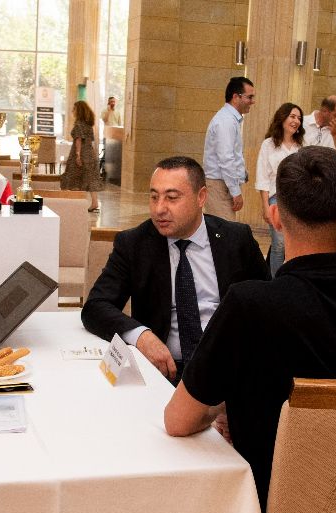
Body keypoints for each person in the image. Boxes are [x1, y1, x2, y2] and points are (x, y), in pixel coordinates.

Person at [164, 146, 336, 511]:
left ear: (276, 217)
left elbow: (179, 420)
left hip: (270, 509)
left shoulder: (250, 304)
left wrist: (223, 407)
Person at [82, 156, 269, 383]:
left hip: (229, 370)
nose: (160, 209)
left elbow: (267, 306)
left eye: (172, 198)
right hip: (165, 372)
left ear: (201, 197)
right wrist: (141, 336)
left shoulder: (236, 240)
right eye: (153, 197)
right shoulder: (135, 244)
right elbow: (95, 307)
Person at [255, 102, 304, 275]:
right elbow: (262, 177)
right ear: (282, 118)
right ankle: (276, 282)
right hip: (276, 199)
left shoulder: (301, 146)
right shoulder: (268, 144)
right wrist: (266, 207)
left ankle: (291, 277)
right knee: (279, 244)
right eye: (292, 116)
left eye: (299, 118)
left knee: (293, 243)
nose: (296, 121)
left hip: (298, 200)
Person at [203, 77, 256, 220]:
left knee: (224, 233)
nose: (253, 101)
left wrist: (241, 173)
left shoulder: (230, 119)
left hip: (223, 184)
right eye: (249, 97)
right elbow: (226, 159)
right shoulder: (225, 121)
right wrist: (235, 191)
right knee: (224, 234)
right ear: (235, 97)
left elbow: (232, 154)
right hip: (219, 186)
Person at [60, 100, 105, 212]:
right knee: (90, 179)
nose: (72, 111)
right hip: (90, 154)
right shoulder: (89, 125)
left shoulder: (79, 124)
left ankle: (77, 202)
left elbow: (78, 140)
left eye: (74, 109)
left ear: (78, 110)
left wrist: (78, 155)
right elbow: (91, 141)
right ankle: (94, 202)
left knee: (74, 177)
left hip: (82, 154)